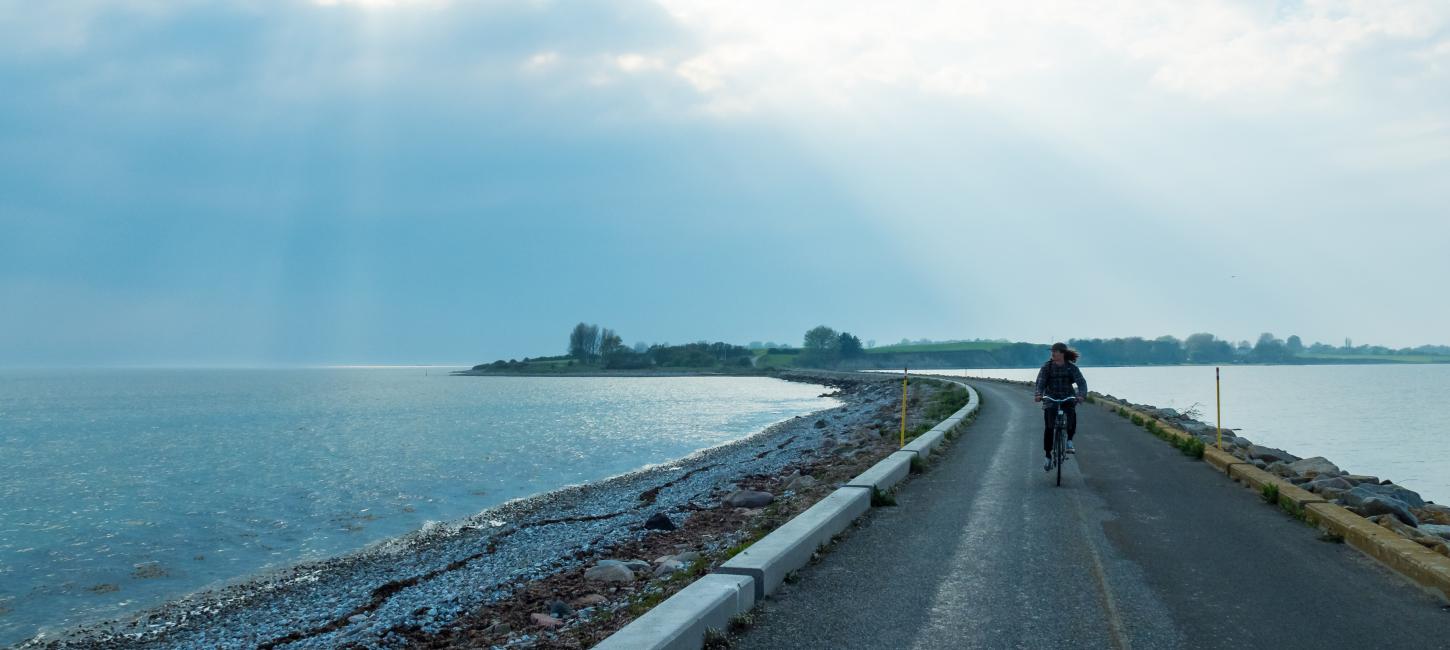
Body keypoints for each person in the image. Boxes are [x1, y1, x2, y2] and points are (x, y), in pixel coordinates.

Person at [1034, 342, 1087, 471]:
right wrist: (1038, 394)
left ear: (1062, 353)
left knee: (1071, 415)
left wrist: (1081, 395)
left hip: (1067, 396)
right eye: (1052, 351)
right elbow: (1040, 382)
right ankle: (1048, 456)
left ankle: (1069, 441)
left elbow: (1081, 382)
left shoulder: (1071, 368)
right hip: (1051, 398)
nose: (1052, 353)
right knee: (1049, 427)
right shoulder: (1047, 367)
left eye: (1055, 351)